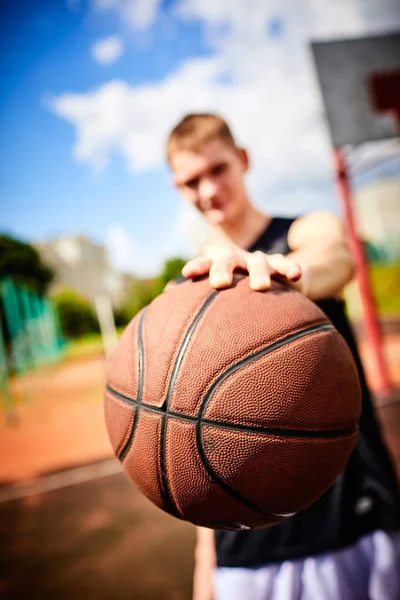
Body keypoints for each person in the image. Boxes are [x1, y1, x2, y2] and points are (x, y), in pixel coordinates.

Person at [164, 113, 400, 600]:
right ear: (177, 187)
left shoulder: (301, 235)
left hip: (350, 523)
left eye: (218, 170)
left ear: (243, 160)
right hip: (246, 554)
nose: (207, 190)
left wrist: (289, 274)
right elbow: (194, 447)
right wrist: (203, 570)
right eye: (191, 181)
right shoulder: (190, 292)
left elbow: (334, 257)